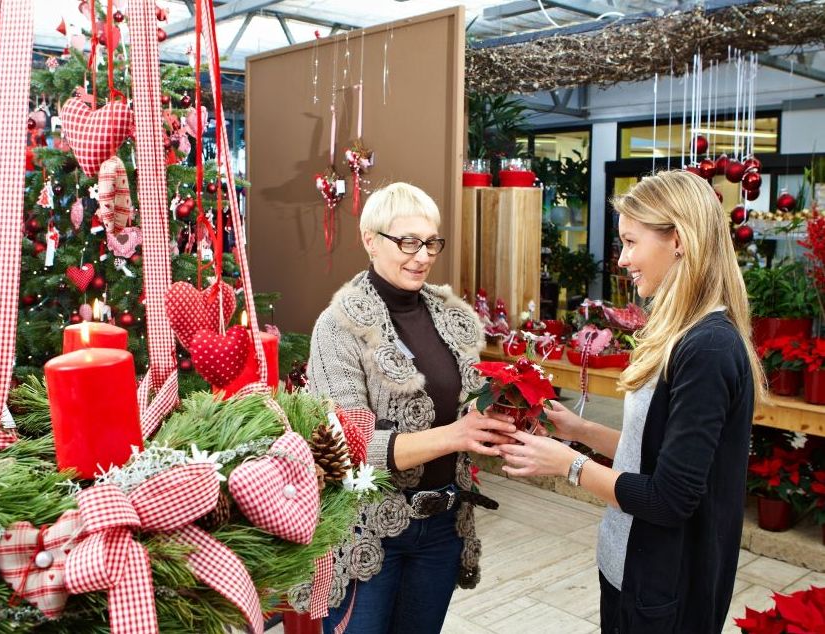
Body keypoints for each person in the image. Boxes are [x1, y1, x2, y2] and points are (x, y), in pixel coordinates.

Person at [499, 170, 764, 633]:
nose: (621, 260)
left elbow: (669, 498)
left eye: (631, 242)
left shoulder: (708, 349)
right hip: (629, 569)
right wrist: (580, 432)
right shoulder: (682, 333)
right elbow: (660, 452)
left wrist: (569, 465)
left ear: (677, 239)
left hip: (666, 589)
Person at [300, 182, 516, 634]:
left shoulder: (448, 315)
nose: (422, 256)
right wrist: (455, 436)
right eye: (408, 242)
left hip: (442, 527)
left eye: (431, 242)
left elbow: (465, 404)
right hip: (368, 530)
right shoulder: (337, 327)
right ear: (370, 240)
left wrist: (505, 415)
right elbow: (342, 448)